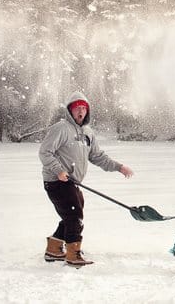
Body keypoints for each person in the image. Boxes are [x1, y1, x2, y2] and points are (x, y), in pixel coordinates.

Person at [40, 91, 134, 267]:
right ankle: (73, 254)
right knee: (75, 215)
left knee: (72, 215)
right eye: (76, 108)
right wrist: (59, 171)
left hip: (72, 182)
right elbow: (45, 152)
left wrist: (119, 167)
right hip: (56, 181)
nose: (80, 111)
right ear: (70, 111)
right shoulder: (61, 128)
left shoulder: (88, 133)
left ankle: (54, 247)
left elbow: (97, 156)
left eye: (83, 108)